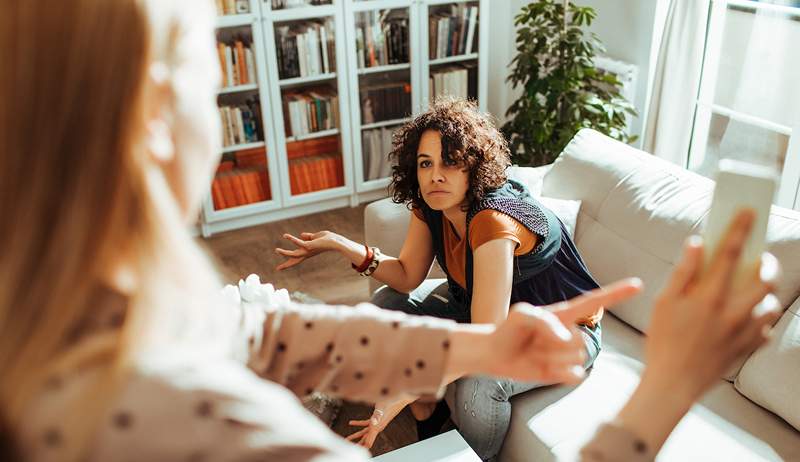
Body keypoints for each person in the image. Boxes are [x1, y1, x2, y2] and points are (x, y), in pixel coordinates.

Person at [0, 1, 781, 461]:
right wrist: (669, 388)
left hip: (554, 327)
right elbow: (395, 288)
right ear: (155, 117)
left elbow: (273, 331)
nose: (436, 177)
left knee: (456, 369)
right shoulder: (205, 413)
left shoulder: (94, 324)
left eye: (450, 165)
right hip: (498, 322)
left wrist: (431, 376)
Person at [277, 98, 605, 460]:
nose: (436, 175)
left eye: (450, 162)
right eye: (425, 163)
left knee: (480, 381)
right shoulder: (432, 204)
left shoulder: (493, 221)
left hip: (566, 331)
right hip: (489, 313)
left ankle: (472, 455)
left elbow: (486, 342)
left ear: (473, 167)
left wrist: (402, 390)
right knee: (386, 305)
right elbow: (406, 277)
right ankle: (429, 418)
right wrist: (342, 245)